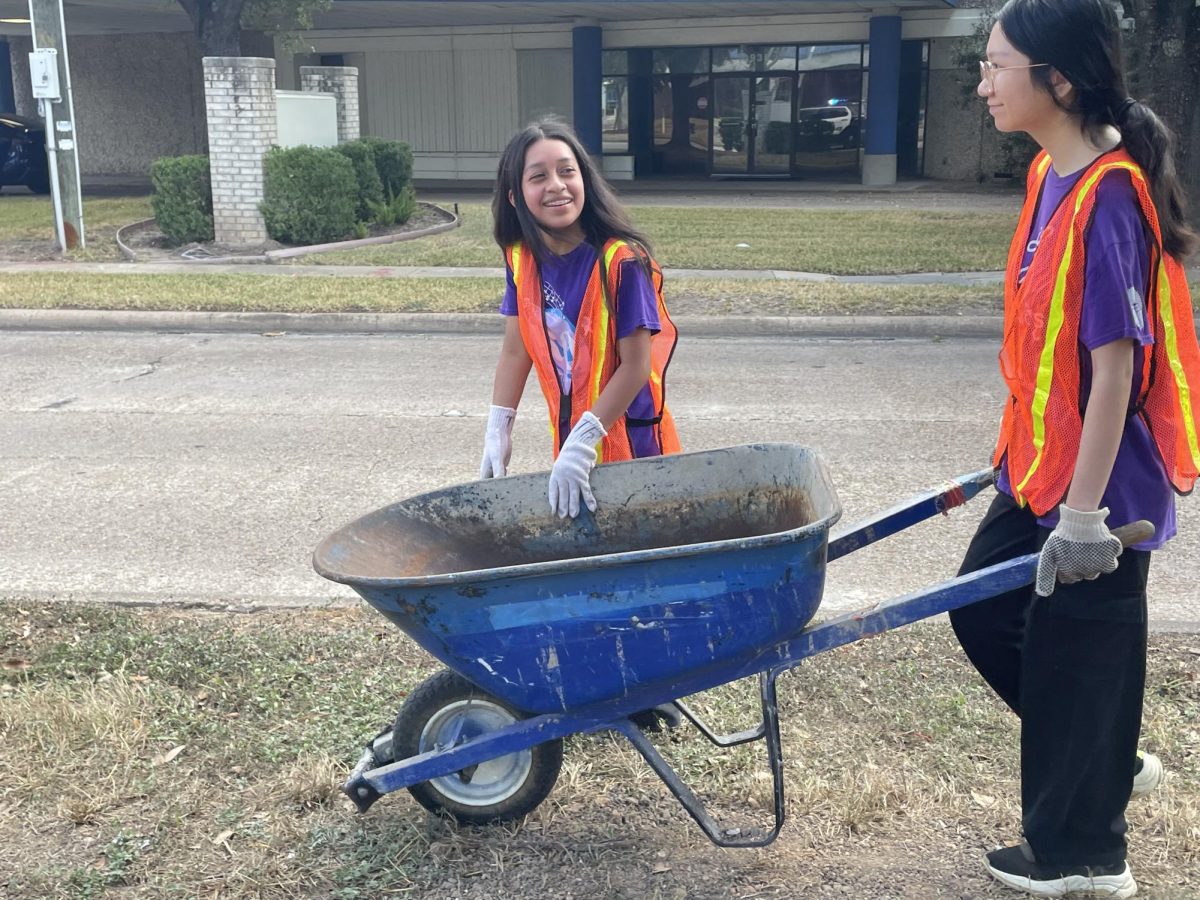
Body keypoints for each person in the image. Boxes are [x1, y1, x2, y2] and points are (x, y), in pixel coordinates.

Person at [950, 1, 1200, 896]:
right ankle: (1101, 753)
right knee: (981, 612)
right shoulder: (1050, 179)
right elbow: (1043, 349)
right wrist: (1011, 459)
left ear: (1057, 79)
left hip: (1102, 488)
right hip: (1042, 468)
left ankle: (1086, 855)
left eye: (996, 67)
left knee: (1080, 645)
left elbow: (1114, 369)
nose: (982, 85)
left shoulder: (1110, 198)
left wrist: (1087, 517)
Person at [479, 118, 680, 518]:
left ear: (584, 179)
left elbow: (637, 366)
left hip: (633, 445)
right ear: (516, 197)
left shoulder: (622, 261)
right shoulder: (522, 259)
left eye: (567, 171)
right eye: (538, 177)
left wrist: (585, 438)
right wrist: (499, 425)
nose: (556, 185)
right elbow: (516, 350)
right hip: (572, 443)